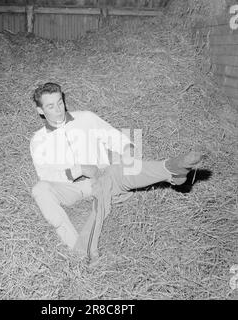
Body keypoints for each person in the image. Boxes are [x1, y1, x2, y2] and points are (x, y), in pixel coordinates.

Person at [30, 82, 202, 259]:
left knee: (116, 172)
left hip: (102, 177)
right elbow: (45, 175)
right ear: (40, 110)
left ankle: (170, 168)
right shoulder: (38, 140)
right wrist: (77, 170)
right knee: (39, 189)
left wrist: (128, 154)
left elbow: (117, 139)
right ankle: (75, 245)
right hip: (69, 188)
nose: (58, 109)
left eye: (60, 102)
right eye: (50, 106)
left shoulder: (86, 118)